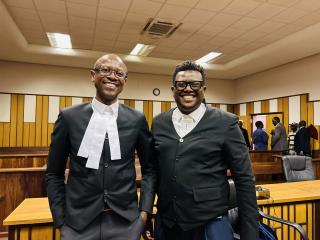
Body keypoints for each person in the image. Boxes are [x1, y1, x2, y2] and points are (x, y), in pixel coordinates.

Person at [46, 54, 156, 240]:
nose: (113, 76)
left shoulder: (137, 119)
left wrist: (144, 213)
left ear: (125, 80)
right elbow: (53, 173)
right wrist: (60, 220)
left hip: (126, 223)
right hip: (77, 225)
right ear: (92, 75)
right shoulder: (69, 117)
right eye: (105, 70)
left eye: (119, 73)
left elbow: (150, 170)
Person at [151, 61, 258, 240]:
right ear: (173, 89)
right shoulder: (159, 122)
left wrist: (250, 234)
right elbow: (153, 171)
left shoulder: (226, 123)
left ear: (204, 89)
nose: (188, 89)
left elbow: (245, 179)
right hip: (167, 223)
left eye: (195, 84)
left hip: (210, 224)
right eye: (181, 84)